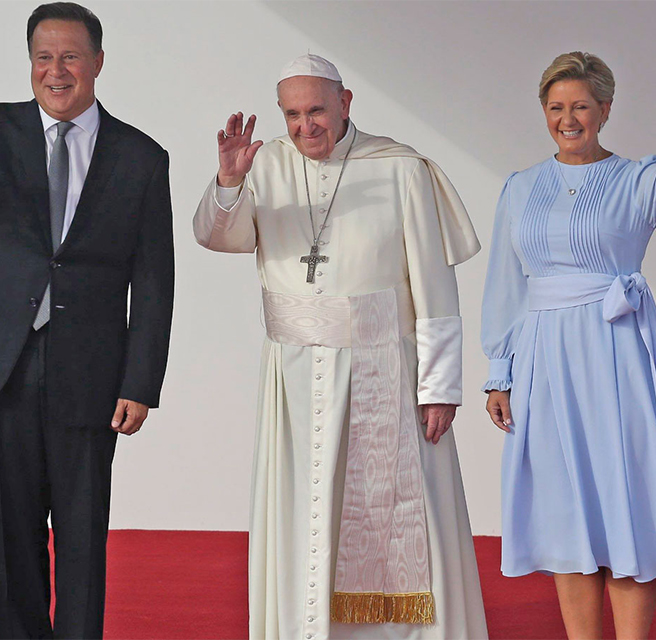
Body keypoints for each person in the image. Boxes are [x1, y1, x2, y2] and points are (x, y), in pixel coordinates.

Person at [0, 3, 174, 638]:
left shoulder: (142, 158)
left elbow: (154, 284)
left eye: (71, 56)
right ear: (30, 65)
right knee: (10, 533)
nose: (56, 70)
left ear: (98, 62)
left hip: (92, 373)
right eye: (44, 57)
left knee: (82, 537)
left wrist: (139, 382)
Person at [195, 54, 489, 639]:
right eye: (293, 114)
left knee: (392, 521)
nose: (306, 127)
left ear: (346, 101)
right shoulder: (264, 163)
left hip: (382, 369)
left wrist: (440, 387)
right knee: (304, 512)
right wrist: (229, 180)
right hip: (294, 376)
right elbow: (217, 236)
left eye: (317, 111)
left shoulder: (400, 168)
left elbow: (435, 286)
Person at [480, 51, 656, 640]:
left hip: (616, 352)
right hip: (544, 359)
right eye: (555, 107)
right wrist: (500, 371)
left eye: (579, 106)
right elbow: (504, 283)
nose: (567, 118)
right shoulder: (520, 188)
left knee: (627, 499)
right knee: (566, 506)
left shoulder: (635, 179)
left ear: (604, 109)